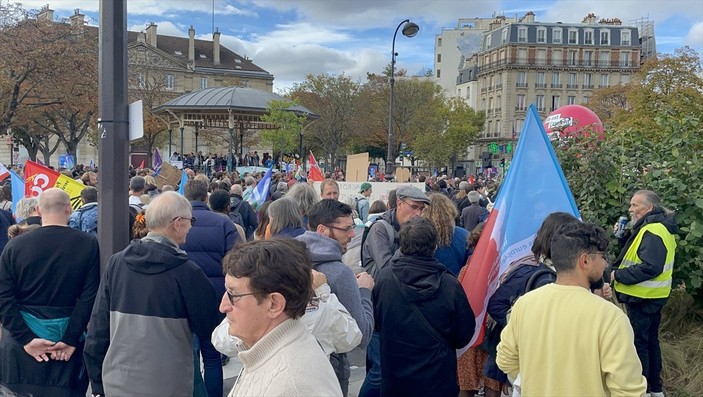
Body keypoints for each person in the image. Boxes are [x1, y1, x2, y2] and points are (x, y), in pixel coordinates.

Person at [84, 191, 221, 397]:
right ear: (177, 223)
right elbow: (208, 326)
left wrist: (97, 383)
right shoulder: (187, 272)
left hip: (118, 381)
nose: (191, 226)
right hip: (170, 383)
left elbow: (98, 328)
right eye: (190, 220)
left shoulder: (116, 263)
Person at [497, 222, 647, 396]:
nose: (605, 264)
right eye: (601, 256)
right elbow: (628, 389)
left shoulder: (524, 304)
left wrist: (536, 383)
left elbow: (505, 359)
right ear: (585, 261)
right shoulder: (611, 317)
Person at [0, 188, 100, 397]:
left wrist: (25, 338)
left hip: (21, 349)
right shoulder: (88, 244)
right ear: (69, 208)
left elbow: (4, 297)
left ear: (37, 210)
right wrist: (71, 338)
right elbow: (89, 296)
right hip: (66, 347)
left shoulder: (15, 246)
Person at [219, 239, 343, 397]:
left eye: (233, 294)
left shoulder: (295, 385)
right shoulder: (266, 350)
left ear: (274, 304)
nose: (223, 306)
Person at [373, 217, 475, 397]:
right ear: (435, 246)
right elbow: (464, 334)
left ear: (401, 245)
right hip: (437, 378)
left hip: (395, 377)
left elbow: (378, 323)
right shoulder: (450, 285)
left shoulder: (384, 278)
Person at [297, 199, 375, 396]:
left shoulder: (287, 260)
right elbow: (362, 336)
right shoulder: (340, 273)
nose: (352, 234)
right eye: (346, 229)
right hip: (330, 368)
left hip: (291, 363)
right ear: (322, 230)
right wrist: (365, 291)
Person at [359, 185, 430, 397]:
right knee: (380, 370)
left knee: (392, 369)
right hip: (380, 305)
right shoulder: (381, 228)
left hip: (402, 305)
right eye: (414, 207)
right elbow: (388, 266)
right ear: (399, 203)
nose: (418, 213)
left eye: (421, 209)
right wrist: (412, 240)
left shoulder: (411, 226)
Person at [611, 190, 677, 397]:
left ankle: (645, 389)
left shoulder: (654, 230)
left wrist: (617, 275)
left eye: (635, 205)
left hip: (643, 297)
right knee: (649, 341)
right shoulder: (651, 227)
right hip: (650, 296)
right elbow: (636, 254)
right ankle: (655, 389)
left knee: (640, 343)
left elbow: (650, 267)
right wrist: (622, 238)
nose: (630, 209)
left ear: (649, 208)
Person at [182, 180, 238, 397]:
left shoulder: (179, 225)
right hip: (216, 295)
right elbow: (236, 261)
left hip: (185, 296)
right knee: (213, 355)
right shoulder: (223, 223)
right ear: (206, 198)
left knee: (191, 354)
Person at [423, 193, 469, 276]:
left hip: (428, 283)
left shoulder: (421, 236)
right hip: (457, 283)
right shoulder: (464, 235)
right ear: (450, 210)